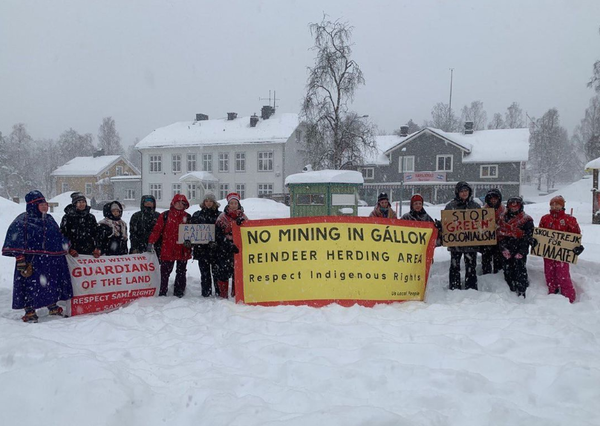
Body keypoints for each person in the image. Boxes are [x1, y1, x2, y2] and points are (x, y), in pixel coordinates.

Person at [2, 191, 73, 322]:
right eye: (41, 204)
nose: (45, 207)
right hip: (32, 261)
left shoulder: (49, 219)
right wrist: (20, 258)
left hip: (50, 261)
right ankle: (30, 311)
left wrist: (67, 244)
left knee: (51, 284)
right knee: (31, 286)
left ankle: (52, 305)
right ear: (33, 205)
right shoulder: (22, 220)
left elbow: (57, 237)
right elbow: (15, 241)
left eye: (45, 204)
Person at [538, 195, 584, 303]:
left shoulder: (569, 219)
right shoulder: (545, 218)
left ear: (562, 205)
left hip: (563, 253)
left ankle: (569, 297)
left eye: (557, 204)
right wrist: (536, 242)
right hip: (548, 252)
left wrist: (577, 246)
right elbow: (541, 234)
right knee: (549, 273)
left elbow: (576, 235)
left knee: (563, 274)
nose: (554, 206)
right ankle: (552, 293)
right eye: (552, 204)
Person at [147, 194, 192, 297]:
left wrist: (190, 242)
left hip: (183, 249)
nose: (180, 205)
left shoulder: (188, 217)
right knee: (165, 272)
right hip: (168, 248)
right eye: (178, 202)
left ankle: (179, 291)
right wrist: (151, 242)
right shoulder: (165, 215)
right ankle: (162, 291)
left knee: (181, 272)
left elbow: (191, 233)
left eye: (183, 203)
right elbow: (157, 230)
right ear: (173, 203)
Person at [444, 181, 481, 290]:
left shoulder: (475, 206)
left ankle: (471, 287)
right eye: (462, 191)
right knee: (455, 266)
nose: (464, 193)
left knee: (471, 266)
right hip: (456, 242)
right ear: (457, 193)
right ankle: (454, 287)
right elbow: (446, 222)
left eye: (466, 191)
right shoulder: (451, 206)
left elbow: (481, 223)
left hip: (471, 242)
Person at [497, 196, 534, 298]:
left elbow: (528, 236)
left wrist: (522, 251)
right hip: (507, 249)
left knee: (520, 269)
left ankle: (522, 290)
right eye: (511, 205)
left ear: (520, 206)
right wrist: (503, 248)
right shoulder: (503, 218)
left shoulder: (527, 220)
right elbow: (500, 235)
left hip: (520, 249)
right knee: (507, 270)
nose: (514, 207)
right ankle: (510, 289)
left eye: (516, 205)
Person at [214, 192, 248, 298]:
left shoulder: (244, 217)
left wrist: (243, 225)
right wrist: (227, 243)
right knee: (223, 272)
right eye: (231, 203)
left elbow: (249, 232)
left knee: (237, 272)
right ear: (228, 204)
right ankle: (223, 294)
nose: (233, 205)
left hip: (238, 249)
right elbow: (217, 233)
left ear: (238, 204)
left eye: (235, 203)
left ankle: (236, 294)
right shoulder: (221, 217)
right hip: (224, 249)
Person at [190, 192, 222, 297]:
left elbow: (222, 232)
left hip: (216, 250)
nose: (208, 203)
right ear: (203, 202)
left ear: (214, 203)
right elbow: (190, 231)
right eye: (206, 201)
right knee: (204, 274)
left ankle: (219, 292)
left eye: (211, 201)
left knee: (217, 273)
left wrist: (216, 241)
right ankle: (206, 293)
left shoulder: (220, 215)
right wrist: (189, 240)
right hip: (201, 249)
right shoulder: (197, 215)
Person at [60, 192, 101, 257]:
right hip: (73, 254)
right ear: (75, 204)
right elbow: (63, 235)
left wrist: (97, 248)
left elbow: (96, 234)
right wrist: (69, 248)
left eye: (83, 202)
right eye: (79, 202)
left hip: (89, 252)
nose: (82, 204)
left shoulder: (91, 217)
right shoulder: (67, 218)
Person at [480, 188, 505, 275]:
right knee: (486, 260)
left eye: (495, 198)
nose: (493, 200)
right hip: (487, 240)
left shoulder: (505, 211)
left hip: (500, 240)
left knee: (498, 261)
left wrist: (499, 227)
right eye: (491, 198)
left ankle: (498, 277)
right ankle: (486, 275)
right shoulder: (483, 211)